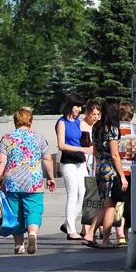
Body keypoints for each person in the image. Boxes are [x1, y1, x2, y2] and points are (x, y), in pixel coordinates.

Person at [0, 107, 57, 254]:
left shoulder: (7, 138)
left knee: (15, 214)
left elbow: (1, 162)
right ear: (31, 121)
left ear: (15, 121)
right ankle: (32, 234)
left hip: (12, 182)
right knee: (34, 210)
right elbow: (48, 159)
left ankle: (19, 245)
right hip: (33, 181)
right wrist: (51, 177)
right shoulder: (39, 137)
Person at [91, 101, 127, 250]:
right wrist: (122, 176)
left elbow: (94, 149)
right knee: (110, 205)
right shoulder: (111, 129)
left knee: (105, 204)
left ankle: (90, 234)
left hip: (99, 167)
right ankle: (104, 239)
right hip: (109, 169)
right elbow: (114, 154)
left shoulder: (96, 127)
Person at [54, 97, 89, 240]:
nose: (80, 110)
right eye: (78, 106)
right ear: (70, 106)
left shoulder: (78, 122)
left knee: (84, 195)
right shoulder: (62, 122)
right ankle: (71, 230)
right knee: (73, 195)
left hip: (80, 161)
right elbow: (61, 145)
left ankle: (67, 223)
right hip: (68, 162)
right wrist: (82, 149)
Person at [113, 101, 136, 247]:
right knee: (132, 203)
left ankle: (120, 233)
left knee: (118, 202)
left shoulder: (114, 129)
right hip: (134, 170)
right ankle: (125, 229)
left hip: (118, 171)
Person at [78, 101, 102, 244]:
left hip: (98, 163)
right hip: (86, 161)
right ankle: (86, 226)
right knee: (89, 194)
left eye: (98, 114)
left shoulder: (100, 126)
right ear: (87, 113)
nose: (95, 117)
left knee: (98, 195)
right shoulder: (81, 126)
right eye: (93, 114)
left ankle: (94, 225)